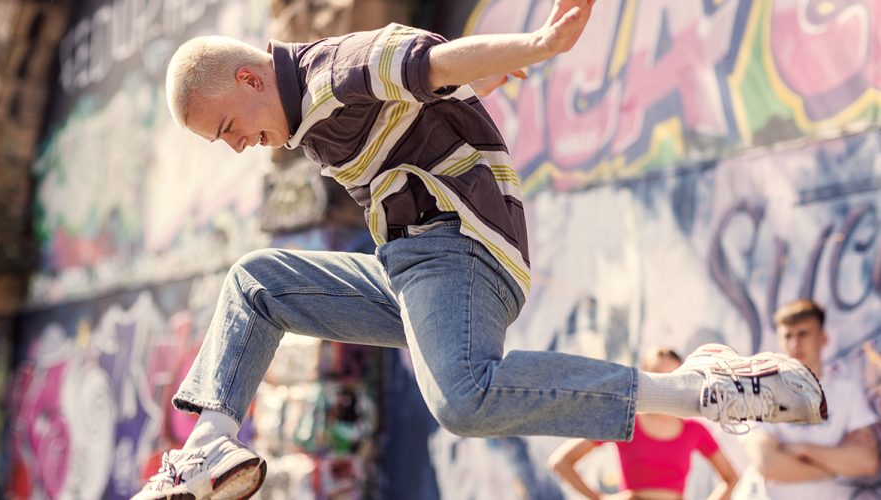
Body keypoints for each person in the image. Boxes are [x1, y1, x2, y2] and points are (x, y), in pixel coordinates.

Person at [134, 1, 828, 498]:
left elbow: (427, 63)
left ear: (252, 79)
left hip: (458, 250)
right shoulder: (306, 120)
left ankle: (704, 391)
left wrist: (537, 46)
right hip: (410, 271)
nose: (236, 144)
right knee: (256, 281)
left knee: (463, 400)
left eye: (228, 126)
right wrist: (482, 87)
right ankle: (207, 444)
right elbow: (433, 97)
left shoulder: (333, 70)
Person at [733, 299, 878, 499]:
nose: (795, 344)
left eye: (803, 334)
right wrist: (836, 465)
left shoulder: (847, 393)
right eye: (788, 336)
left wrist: (801, 449)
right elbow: (768, 464)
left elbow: (867, 462)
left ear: (823, 338)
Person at [549, 347, 739, 500]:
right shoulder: (624, 421)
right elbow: (561, 462)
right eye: (658, 376)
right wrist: (601, 498)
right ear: (644, 378)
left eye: (672, 377)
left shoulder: (695, 431)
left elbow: (731, 478)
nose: (666, 386)